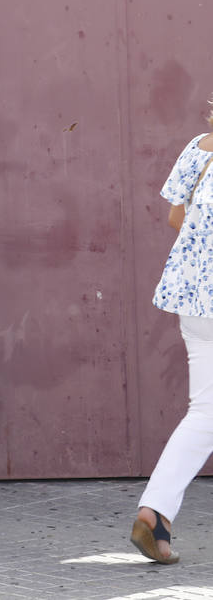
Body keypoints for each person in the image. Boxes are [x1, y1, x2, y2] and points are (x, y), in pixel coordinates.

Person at [129, 102, 213, 564]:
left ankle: (156, 514)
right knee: (206, 415)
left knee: (205, 411)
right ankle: (155, 510)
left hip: (196, 303)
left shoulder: (198, 148)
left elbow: (177, 219)